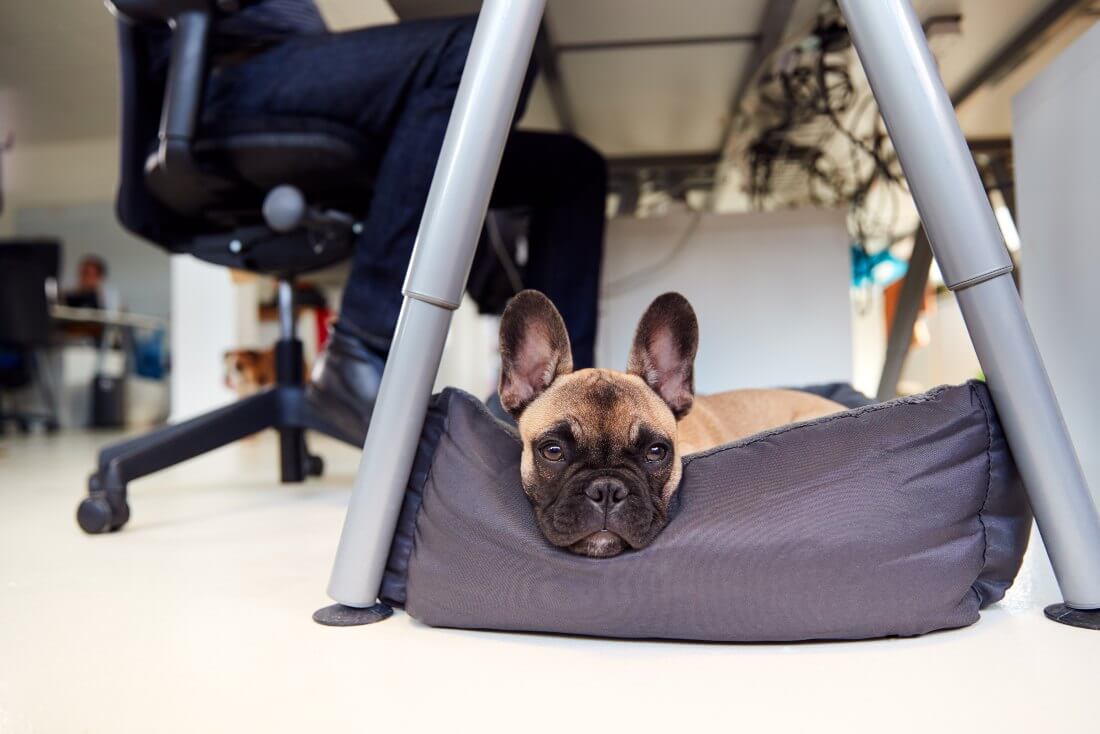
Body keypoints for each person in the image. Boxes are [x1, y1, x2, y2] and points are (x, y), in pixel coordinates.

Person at [187, 1, 607, 442]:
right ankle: (362, 348)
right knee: (482, 50)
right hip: (229, 75)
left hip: (300, 67)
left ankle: (561, 397)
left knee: (572, 170)